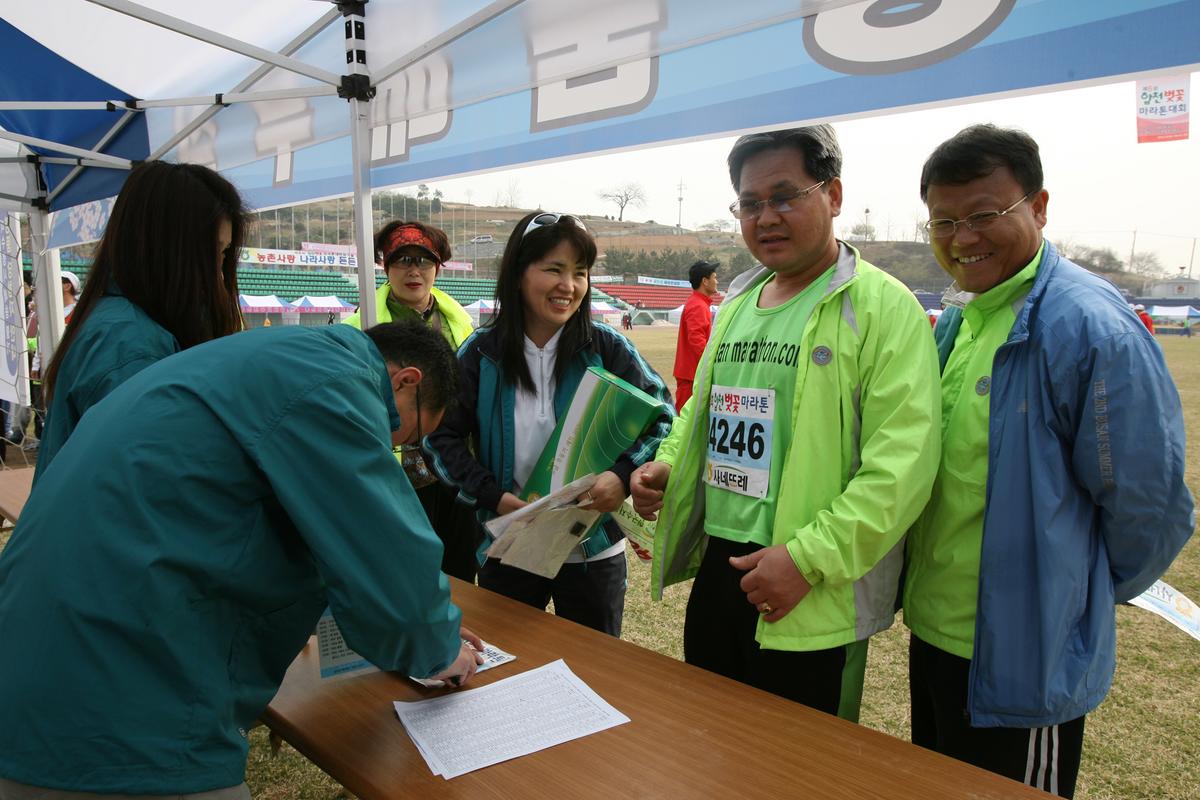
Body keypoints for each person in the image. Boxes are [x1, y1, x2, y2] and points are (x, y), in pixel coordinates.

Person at [0, 320, 483, 798]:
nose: (396, 445)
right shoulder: (337, 382)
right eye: (407, 432)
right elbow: (387, 556)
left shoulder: (273, 356)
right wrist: (438, 648)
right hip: (120, 703)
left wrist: (419, 628)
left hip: (39, 664)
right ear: (406, 381)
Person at [903, 124, 1193, 798]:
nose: (962, 238)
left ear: (1039, 207)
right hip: (937, 634)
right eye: (943, 221)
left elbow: (1149, 508)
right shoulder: (963, 317)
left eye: (985, 215)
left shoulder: (1089, 327)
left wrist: (1071, 596)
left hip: (1025, 653)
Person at [631, 125, 940, 721]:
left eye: (784, 195)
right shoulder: (739, 305)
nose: (765, 216)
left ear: (834, 195)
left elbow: (903, 465)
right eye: (750, 203)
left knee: (799, 770)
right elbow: (705, 407)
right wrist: (670, 460)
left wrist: (804, 561)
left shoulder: (881, 307)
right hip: (722, 571)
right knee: (712, 750)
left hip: (810, 584)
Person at [425, 211, 673, 637]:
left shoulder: (607, 346)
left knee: (597, 675)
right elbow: (439, 438)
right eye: (554, 270)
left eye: (580, 272)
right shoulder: (481, 353)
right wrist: (496, 498)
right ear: (519, 272)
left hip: (593, 549)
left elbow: (663, 416)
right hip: (511, 546)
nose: (569, 286)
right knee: (509, 668)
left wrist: (621, 475)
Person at [34, 160, 245, 482]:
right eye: (214, 252)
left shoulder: (118, 322)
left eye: (225, 253)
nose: (218, 272)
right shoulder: (130, 344)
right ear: (167, 250)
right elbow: (160, 484)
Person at [345, 220, 478, 580]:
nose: (413, 270)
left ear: (437, 267)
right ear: (386, 266)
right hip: (398, 473)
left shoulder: (463, 324)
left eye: (423, 260)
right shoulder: (358, 328)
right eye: (402, 260)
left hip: (457, 466)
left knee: (462, 564)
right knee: (408, 568)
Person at [672, 259, 719, 411]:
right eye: (714, 277)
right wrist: (711, 364)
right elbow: (697, 340)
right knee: (687, 425)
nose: (717, 281)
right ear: (705, 281)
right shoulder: (698, 305)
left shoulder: (699, 303)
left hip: (692, 376)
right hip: (692, 377)